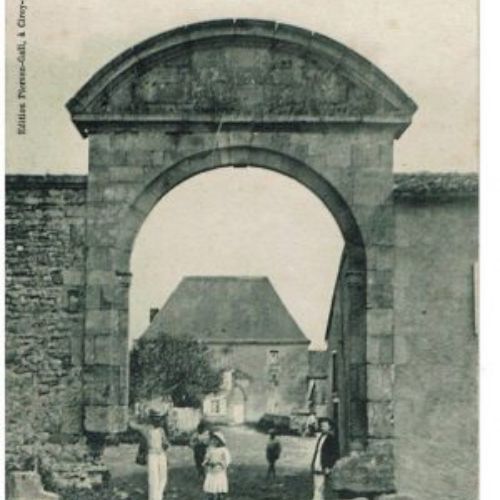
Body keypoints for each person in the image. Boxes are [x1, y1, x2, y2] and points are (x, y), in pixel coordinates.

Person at [130, 409, 169, 500]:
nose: (157, 421)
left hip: (161, 455)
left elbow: (166, 443)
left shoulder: (161, 430)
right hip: (153, 455)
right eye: (155, 419)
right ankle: (154, 498)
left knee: (163, 478)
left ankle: (158, 497)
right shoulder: (146, 429)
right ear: (151, 419)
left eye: (158, 419)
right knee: (153, 478)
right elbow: (133, 426)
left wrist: (164, 443)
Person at [310, 418, 339, 500]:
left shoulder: (332, 439)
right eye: (322, 426)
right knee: (317, 486)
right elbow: (318, 452)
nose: (322, 427)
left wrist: (329, 466)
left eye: (325, 426)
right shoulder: (321, 437)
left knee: (320, 487)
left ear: (330, 427)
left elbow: (335, 454)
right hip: (317, 464)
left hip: (324, 466)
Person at [203, 431, 231, 499]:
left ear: (220, 441)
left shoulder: (223, 450)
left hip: (219, 469)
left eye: (216, 440)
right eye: (213, 440)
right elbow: (207, 458)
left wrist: (221, 464)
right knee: (211, 485)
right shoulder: (210, 449)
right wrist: (207, 462)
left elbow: (227, 460)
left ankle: (219, 495)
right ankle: (211, 496)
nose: (214, 442)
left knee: (219, 484)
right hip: (211, 469)